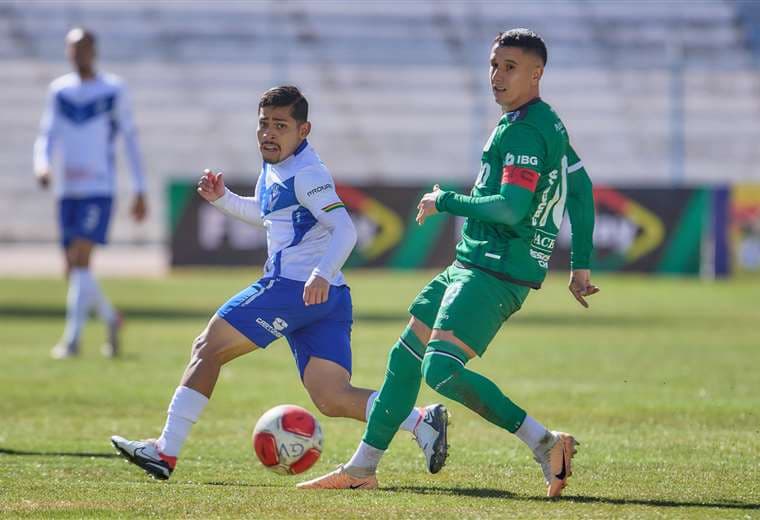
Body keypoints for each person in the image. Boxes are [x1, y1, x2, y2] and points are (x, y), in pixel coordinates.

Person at [298, 29, 599, 497]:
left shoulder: (524, 129)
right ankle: (362, 468)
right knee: (405, 357)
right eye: (494, 65)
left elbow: (511, 208)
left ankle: (545, 443)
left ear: (536, 73)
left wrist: (447, 200)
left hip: (496, 267)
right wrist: (580, 264)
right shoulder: (544, 122)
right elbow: (580, 188)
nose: (497, 76)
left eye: (510, 67)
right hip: (474, 262)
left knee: (440, 369)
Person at [110, 86, 448, 481]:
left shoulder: (307, 174)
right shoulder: (278, 164)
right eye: (264, 124)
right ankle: (421, 421)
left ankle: (164, 452)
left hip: (295, 289)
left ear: (303, 130)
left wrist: (319, 273)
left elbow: (345, 230)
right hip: (327, 296)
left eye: (280, 126)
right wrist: (224, 200)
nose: (269, 133)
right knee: (332, 396)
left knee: (208, 347)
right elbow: (271, 215)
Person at [33, 27, 148, 359]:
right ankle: (111, 319)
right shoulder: (59, 90)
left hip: (99, 186)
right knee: (73, 268)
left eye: (82, 47)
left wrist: (139, 188)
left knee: (82, 259)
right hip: (67, 189)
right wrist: (42, 164)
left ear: (93, 50)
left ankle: (72, 340)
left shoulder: (113, 89)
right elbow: (47, 134)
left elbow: (130, 139)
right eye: (71, 48)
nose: (76, 54)